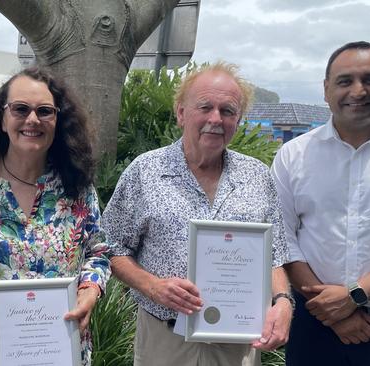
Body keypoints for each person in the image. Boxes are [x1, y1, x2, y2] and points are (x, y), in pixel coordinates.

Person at [101, 62, 293, 366]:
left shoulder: (257, 177)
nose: (215, 119)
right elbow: (109, 247)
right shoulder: (145, 171)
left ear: (238, 120)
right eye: (205, 107)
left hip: (237, 345)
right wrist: (152, 285)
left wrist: (283, 301)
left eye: (228, 111)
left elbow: (275, 255)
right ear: (180, 113)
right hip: (164, 341)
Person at [0, 67, 111, 365]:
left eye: (45, 111)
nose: (33, 120)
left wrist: (90, 288)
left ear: (58, 121)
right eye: (20, 109)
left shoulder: (76, 187)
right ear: (2, 119)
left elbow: (99, 253)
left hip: (56, 350)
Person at [272, 41, 370, 365]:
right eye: (345, 81)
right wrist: (331, 312)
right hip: (313, 323)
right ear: (326, 89)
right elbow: (280, 237)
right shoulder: (293, 155)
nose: (358, 91)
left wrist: (356, 294)